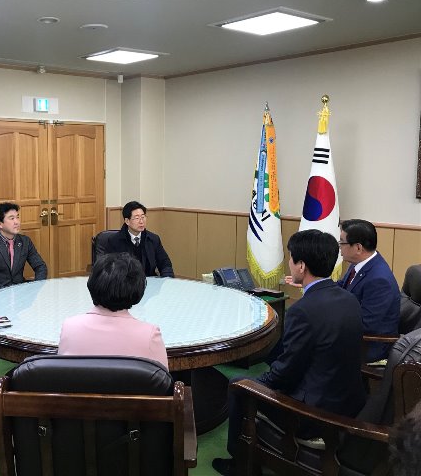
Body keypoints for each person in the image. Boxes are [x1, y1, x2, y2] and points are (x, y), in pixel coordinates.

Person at [212, 229, 366, 476]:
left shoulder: (303, 311)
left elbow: (284, 375)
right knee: (272, 356)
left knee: (238, 384)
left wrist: (255, 383)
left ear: (301, 266)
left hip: (313, 415)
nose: (290, 264)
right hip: (348, 401)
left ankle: (239, 463)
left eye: (292, 258)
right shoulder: (349, 299)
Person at [58, 252, 169, 369]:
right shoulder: (149, 335)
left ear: (92, 282)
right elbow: (162, 378)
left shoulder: (69, 327)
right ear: (138, 288)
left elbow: (63, 375)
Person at [338, 219, 400, 362]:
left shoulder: (379, 280)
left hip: (369, 346)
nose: (339, 246)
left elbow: (366, 325)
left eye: (342, 242)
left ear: (358, 248)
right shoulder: (360, 263)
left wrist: (329, 320)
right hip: (354, 334)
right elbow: (341, 287)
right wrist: (315, 284)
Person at [0, 202, 47, 294]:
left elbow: (40, 266)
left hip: (19, 292)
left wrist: (35, 287)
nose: (17, 222)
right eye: (12, 218)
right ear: (0, 224)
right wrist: (4, 293)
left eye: (17, 217)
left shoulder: (25, 241)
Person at [106, 201, 174, 277]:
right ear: (127, 221)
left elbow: (165, 263)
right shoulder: (115, 241)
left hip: (149, 280)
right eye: (137, 218)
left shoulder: (153, 239)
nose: (141, 221)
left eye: (143, 217)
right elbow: (110, 269)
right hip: (125, 282)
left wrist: (167, 279)